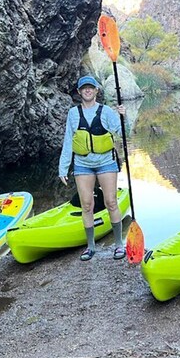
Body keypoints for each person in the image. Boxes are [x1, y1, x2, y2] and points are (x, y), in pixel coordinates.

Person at [59, 75, 127, 261]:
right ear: (80, 92)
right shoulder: (73, 114)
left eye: (91, 88)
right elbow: (67, 142)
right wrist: (63, 168)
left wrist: (124, 117)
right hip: (82, 165)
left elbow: (123, 132)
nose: (88, 90)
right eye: (84, 88)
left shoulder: (106, 112)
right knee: (87, 205)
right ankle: (90, 247)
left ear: (96, 91)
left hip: (106, 163)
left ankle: (119, 244)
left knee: (111, 202)